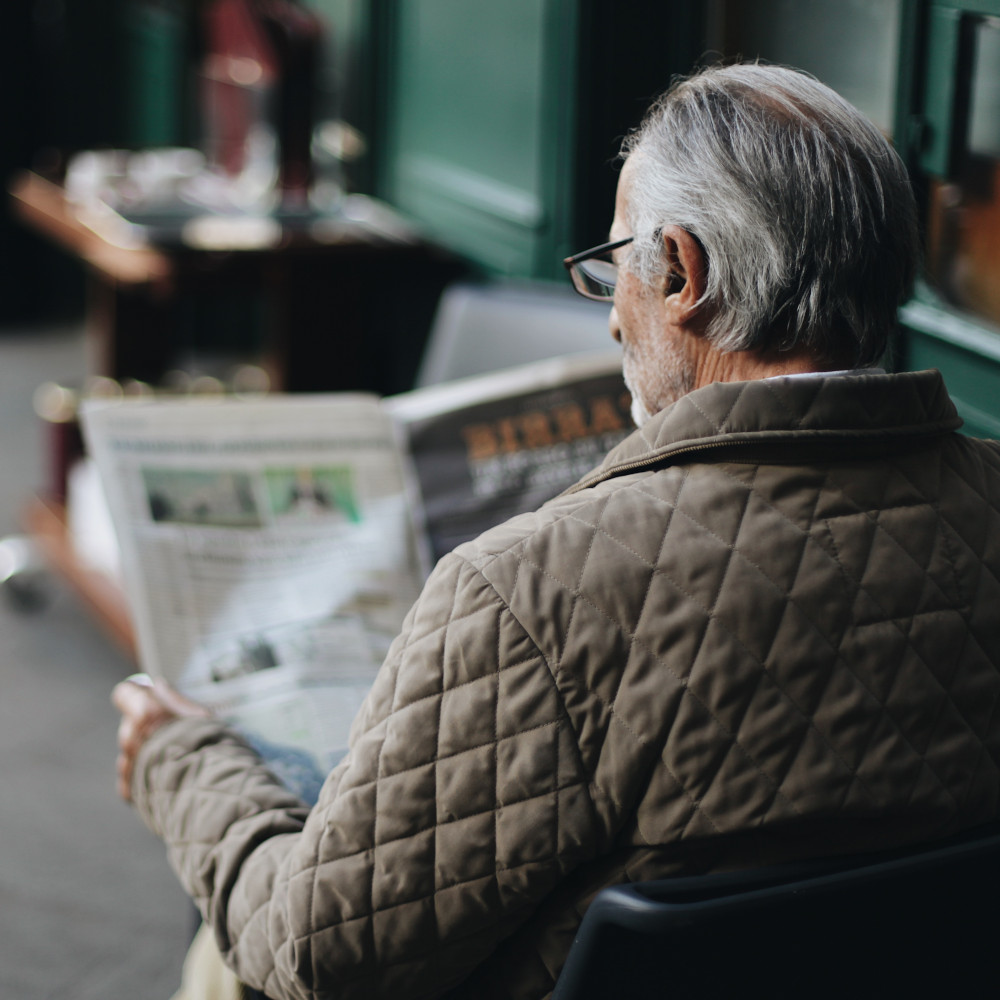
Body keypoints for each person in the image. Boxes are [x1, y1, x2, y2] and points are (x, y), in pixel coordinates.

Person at [113, 63, 1000, 1000]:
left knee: (228, 958)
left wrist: (182, 761)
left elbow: (318, 957)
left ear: (683, 272)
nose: (614, 313)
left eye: (617, 262)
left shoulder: (531, 594)